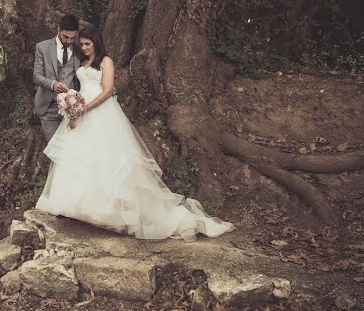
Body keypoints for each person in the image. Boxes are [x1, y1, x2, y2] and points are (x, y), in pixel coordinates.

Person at [35, 26, 234, 241]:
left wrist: (86, 108)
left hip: (100, 111)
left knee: (107, 159)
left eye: (87, 44)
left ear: (96, 43)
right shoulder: (82, 63)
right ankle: (76, 206)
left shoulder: (106, 61)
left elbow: (108, 90)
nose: (83, 48)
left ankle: (112, 212)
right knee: (80, 158)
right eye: (81, 44)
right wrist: (73, 111)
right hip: (81, 111)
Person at [32, 14, 85, 142]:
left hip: (71, 110)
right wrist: (53, 84)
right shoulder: (42, 47)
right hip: (48, 108)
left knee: (72, 148)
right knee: (54, 149)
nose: (69, 41)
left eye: (73, 38)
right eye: (65, 37)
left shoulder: (79, 49)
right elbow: (36, 76)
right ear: (58, 30)